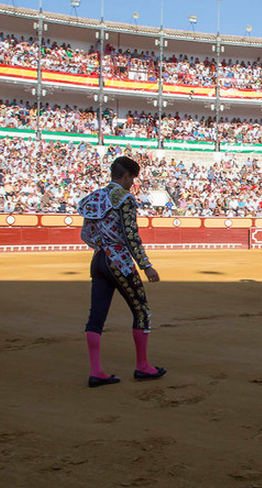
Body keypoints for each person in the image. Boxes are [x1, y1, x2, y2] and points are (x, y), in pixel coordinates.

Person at [78, 156, 164, 388]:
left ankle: (96, 372)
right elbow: (130, 235)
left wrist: (101, 246)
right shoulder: (125, 199)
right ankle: (143, 366)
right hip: (120, 262)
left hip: (98, 261)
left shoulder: (94, 198)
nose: (132, 183)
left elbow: (85, 234)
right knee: (142, 311)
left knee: (96, 317)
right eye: (132, 179)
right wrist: (146, 265)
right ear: (125, 176)